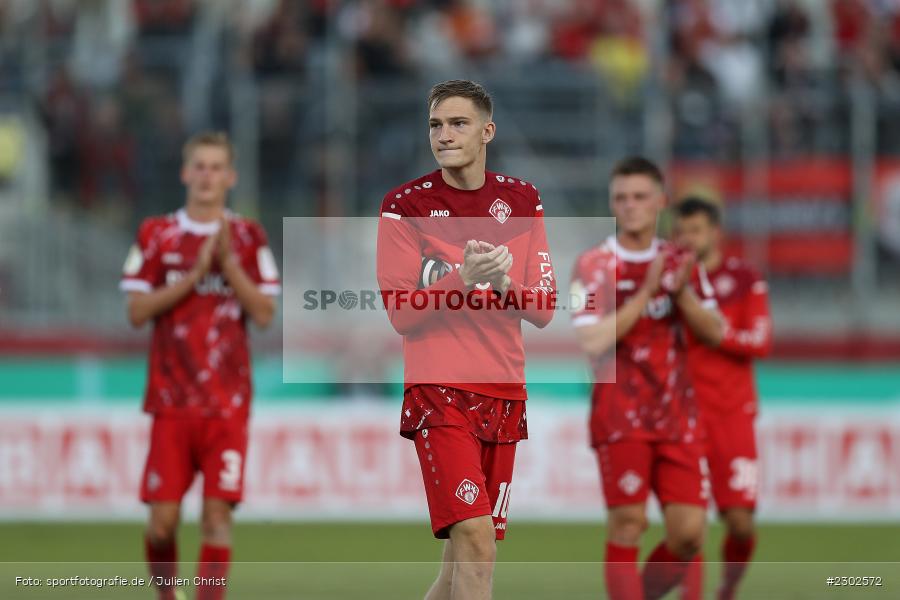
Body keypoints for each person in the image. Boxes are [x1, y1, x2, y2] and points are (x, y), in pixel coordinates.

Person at [376, 79, 555, 600]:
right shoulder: (403, 205)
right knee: (477, 542)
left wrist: (503, 284)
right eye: (436, 124)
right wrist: (463, 278)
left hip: (503, 394)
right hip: (439, 394)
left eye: (458, 123)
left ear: (487, 131)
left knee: (458, 566)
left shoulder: (522, 199)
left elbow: (543, 309)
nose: (444, 134)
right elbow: (401, 314)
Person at [120, 131, 280, 600]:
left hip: (227, 403)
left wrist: (228, 266)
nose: (207, 176)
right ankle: (168, 595)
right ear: (185, 172)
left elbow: (265, 315)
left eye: (216, 167)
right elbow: (136, 312)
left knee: (216, 517)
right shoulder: (156, 233)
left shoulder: (249, 237)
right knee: (162, 521)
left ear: (230, 177)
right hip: (171, 401)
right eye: (200, 166)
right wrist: (194, 276)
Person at [569, 157, 723, 600]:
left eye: (640, 196)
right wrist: (647, 292)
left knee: (690, 533)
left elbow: (715, 333)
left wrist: (683, 293)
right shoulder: (595, 264)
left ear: (661, 201)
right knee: (628, 523)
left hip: (677, 415)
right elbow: (592, 341)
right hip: (620, 413)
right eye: (621, 197)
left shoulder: (680, 261)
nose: (630, 206)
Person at [674, 197, 772, 600]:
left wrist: (717, 332)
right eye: (681, 231)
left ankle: (728, 586)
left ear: (715, 232)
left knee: (740, 523)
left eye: (696, 230)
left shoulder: (745, 278)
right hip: (684, 416)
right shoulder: (667, 281)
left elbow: (760, 342)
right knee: (690, 526)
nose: (688, 239)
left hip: (733, 414)